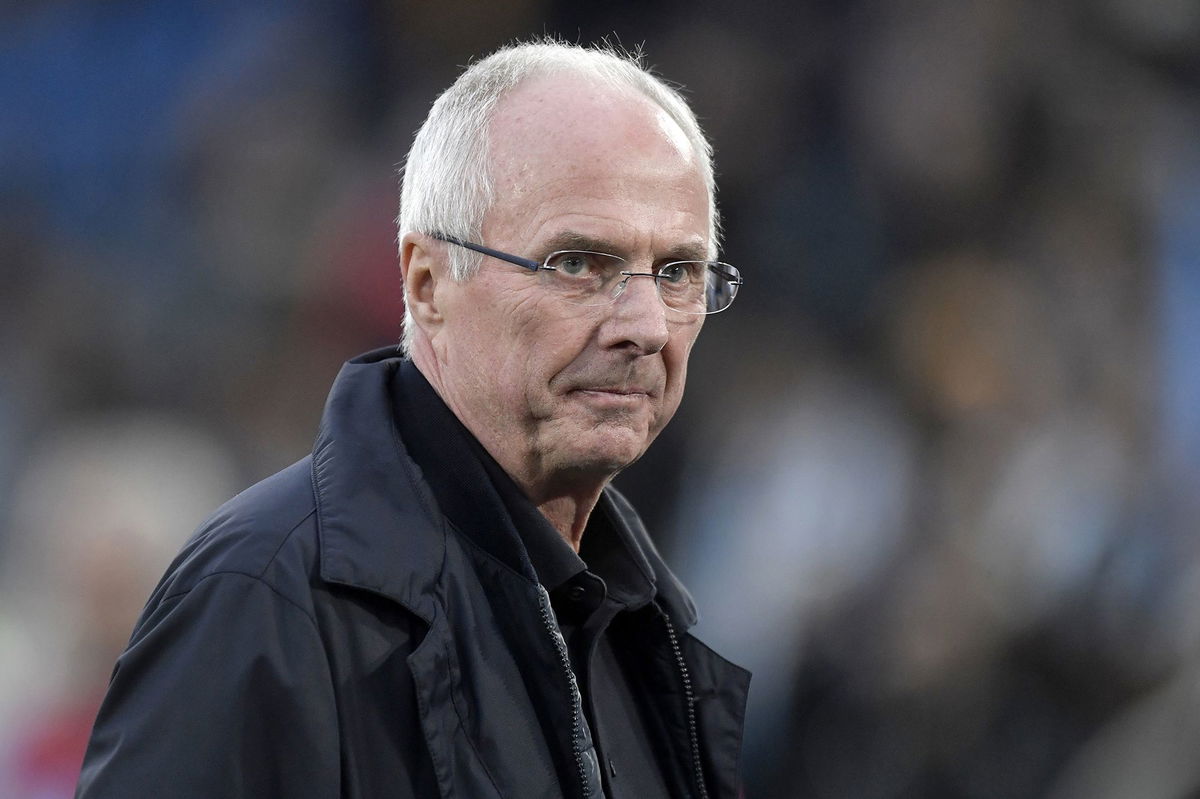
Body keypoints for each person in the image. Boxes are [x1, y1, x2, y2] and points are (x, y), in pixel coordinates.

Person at [75, 39, 749, 799]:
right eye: (578, 263)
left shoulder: (649, 626)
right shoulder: (260, 598)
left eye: (678, 272)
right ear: (428, 283)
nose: (648, 326)